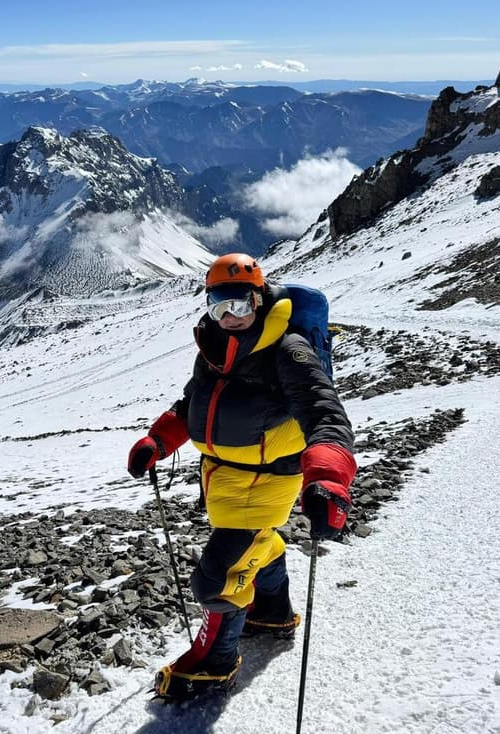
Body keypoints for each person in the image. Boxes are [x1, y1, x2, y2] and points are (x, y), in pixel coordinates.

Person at [127, 253, 356, 701]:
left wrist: (329, 477)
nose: (230, 317)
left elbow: (325, 414)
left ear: (260, 298)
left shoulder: (287, 349)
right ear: (208, 303)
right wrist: (159, 440)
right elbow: (192, 404)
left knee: (217, 577)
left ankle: (214, 664)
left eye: (242, 305)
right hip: (223, 478)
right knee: (258, 544)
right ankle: (271, 612)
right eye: (219, 306)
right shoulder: (213, 346)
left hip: (267, 479)